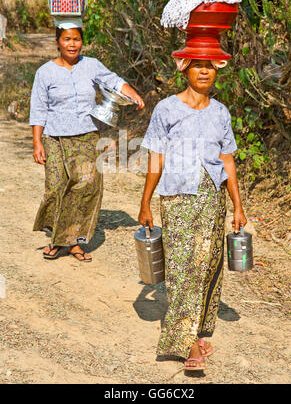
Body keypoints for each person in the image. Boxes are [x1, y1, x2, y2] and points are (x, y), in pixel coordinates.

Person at [138, 57, 247, 371]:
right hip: (177, 199)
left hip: (213, 201)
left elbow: (227, 162)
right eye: (197, 65)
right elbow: (156, 160)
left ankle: (200, 333)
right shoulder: (166, 109)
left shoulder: (220, 113)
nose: (204, 71)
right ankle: (186, 344)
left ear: (216, 72)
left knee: (210, 265)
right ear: (184, 70)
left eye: (210, 66)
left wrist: (238, 206)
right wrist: (146, 203)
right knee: (183, 268)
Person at [30, 19, 144, 262]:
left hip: (86, 135)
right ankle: (57, 236)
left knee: (86, 186)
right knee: (56, 187)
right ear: (57, 42)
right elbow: (38, 108)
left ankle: (74, 242)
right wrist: (37, 142)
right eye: (67, 39)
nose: (72, 44)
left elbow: (113, 81)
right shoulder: (45, 72)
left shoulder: (91, 66)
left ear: (82, 41)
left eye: (77, 39)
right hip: (54, 137)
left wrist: (132, 92)